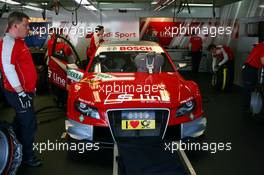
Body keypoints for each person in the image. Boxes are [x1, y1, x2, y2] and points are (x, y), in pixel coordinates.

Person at [0, 11, 42, 167]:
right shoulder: (9, 42)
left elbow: (23, 68)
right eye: (26, 25)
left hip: (25, 92)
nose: (28, 28)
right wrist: (21, 92)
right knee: (29, 124)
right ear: (15, 25)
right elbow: (7, 68)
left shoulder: (19, 41)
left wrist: (31, 87)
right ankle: (27, 157)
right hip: (18, 94)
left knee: (20, 121)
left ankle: (14, 148)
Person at [242, 43, 264, 112]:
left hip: (252, 69)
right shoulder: (263, 46)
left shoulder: (260, 45)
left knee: (252, 88)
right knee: (248, 89)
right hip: (249, 69)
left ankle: (251, 106)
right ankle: (247, 108)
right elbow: (263, 61)